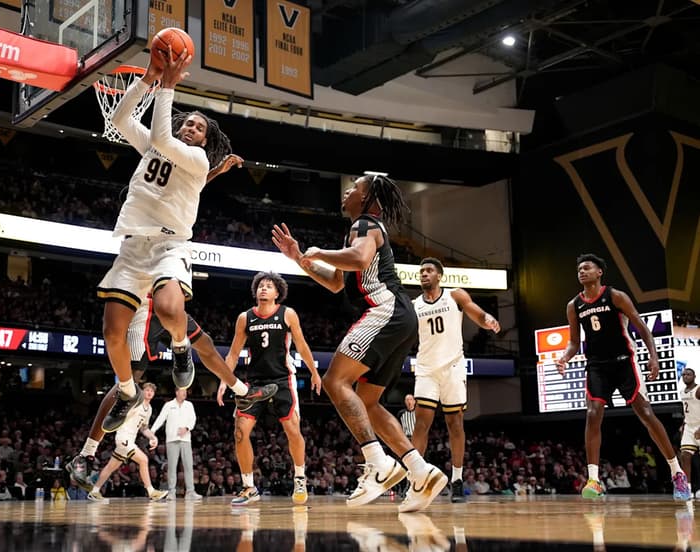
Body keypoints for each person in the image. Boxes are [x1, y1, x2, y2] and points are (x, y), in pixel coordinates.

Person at [97, 43, 255, 432]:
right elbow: (119, 118)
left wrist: (167, 87)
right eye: (189, 123)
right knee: (111, 332)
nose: (191, 128)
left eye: (199, 127)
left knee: (169, 309)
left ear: (203, 140)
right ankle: (127, 391)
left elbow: (165, 140)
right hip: (133, 246)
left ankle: (181, 348)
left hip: (170, 245)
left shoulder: (198, 158)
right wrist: (148, 80)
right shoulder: (158, 145)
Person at [272, 174, 447, 512]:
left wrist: (320, 251)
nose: (348, 191)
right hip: (400, 317)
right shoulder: (359, 230)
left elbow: (359, 258)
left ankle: (378, 464)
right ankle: (420, 471)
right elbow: (337, 283)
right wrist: (299, 259)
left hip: (385, 309)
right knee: (368, 402)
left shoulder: (366, 224)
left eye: (355, 188)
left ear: (368, 199)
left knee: (335, 381)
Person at [66, 296, 276, 487]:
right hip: (147, 308)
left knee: (205, 344)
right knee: (128, 383)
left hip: (169, 309)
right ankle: (86, 454)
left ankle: (241, 391)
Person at [554, 253, 691, 500]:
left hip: (624, 362)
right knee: (593, 413)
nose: (581, 272)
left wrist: (653, 355)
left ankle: (677, 472)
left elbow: (640, 326)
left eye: (587, 268)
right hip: (597, 365)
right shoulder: (573, 305)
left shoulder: (615, 296)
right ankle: (594, 480)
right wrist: (564, 357)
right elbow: (574, 342)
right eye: (579, 270)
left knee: (646, 414)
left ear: (599, 273)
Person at [217, 271, 322, 505]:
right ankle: (248, 487)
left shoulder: (288, 314)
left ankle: (300, 477)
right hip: (254, 383)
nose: (263, 289)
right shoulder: (245, 318)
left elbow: (302, 345)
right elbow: (233, 353)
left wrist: (314, 373)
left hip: (283, 379)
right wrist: (224, 381)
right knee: (240, 431)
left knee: (293, 430)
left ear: (278, 293)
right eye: (261, 286)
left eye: (269, 286)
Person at [412, 257, 501, 502]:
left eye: (429, 270)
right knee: (421, 423)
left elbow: (477, 313)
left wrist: (487, 320)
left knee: (455, 423)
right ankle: (416, 479)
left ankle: (458, 479)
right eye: (421, 272)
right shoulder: (414, 305)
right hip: (426, 369)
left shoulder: (455, 296)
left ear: (439, 275)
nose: (424, 274)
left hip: (452, 367)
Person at [89, 382, 168, 503]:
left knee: (111, 466)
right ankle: (151, 492)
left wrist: (153, 437)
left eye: (152, 391)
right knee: (144, 460)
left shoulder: (149, 409)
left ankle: (94, 491)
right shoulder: (136, 403)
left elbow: (144, 428)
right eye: (147, 390)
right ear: (142, 391)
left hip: (130, 439)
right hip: (123, 437)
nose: (149, 392)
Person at [150, 387, 200, 500]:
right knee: (172, 467)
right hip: (172, 439)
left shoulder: (189, 405)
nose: (185, 393)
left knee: (188, 466)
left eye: (186, 391)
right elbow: (160, 418)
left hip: (186, 439)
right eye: (182, 391)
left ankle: (190, 492)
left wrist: (186, 428)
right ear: (176, 392)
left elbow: (193, 419)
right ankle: (171, 492)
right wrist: (152, 431)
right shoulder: (168, 405)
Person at [679, 367, 700, 493]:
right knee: (685, 456)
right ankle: (687, 488)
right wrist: (683, 425)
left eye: (688, 374)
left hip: (699, 425)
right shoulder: (682, 392)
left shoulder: (698, 389)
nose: (685, 376)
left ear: (694, 376)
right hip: (689, 426)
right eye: (683, 374)